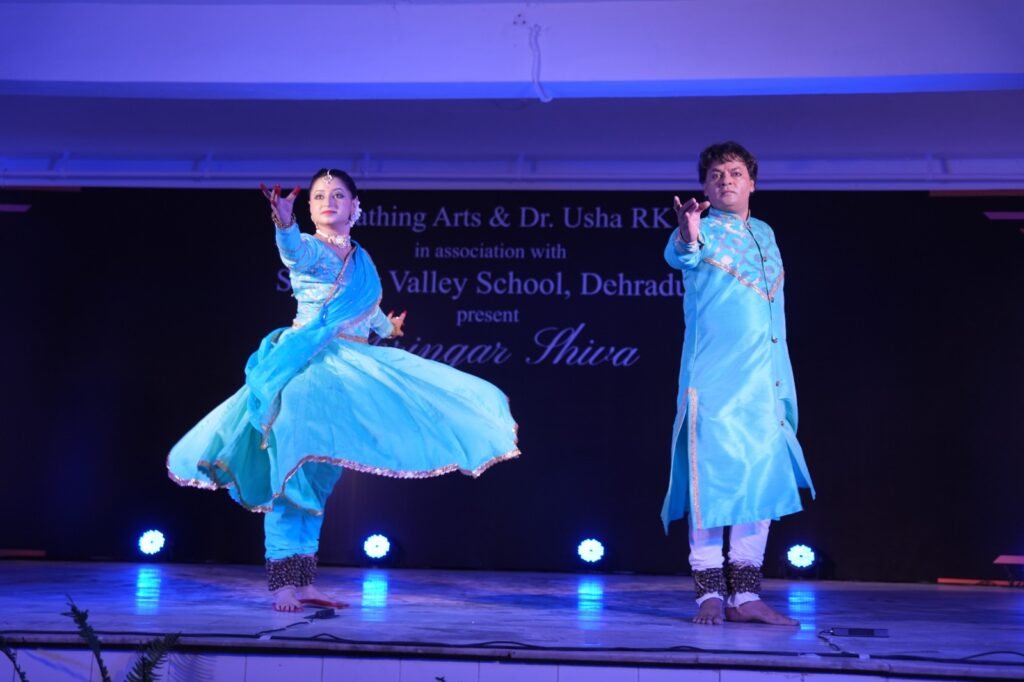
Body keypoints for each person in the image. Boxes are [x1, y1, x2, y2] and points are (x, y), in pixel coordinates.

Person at [167, 169, 520, 612]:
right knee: (291, 473)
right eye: (319, 196)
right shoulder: (310, 247)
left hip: (346, 373)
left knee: (319, 477)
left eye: (337, 195)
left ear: (355, 206)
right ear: (309, 208)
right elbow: (292, 252)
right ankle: (282, 585)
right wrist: (283, 222)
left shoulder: (361, 258)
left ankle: (304, 580)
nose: (327, 202)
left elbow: (366, 312)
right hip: (307, 369)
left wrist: (388, 328)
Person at [660, 142, 814, 626]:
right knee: (710, 478)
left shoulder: (765, 233)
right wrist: (687, 233)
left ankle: (745, 596)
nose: (725, 180)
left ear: (752, 182)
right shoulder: (699, 229)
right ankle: (708, 591)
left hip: (766, 378)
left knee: (760, 480)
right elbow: (681, 256)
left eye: (734, 172)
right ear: (704, 188)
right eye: (715, 175)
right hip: (715, 379)